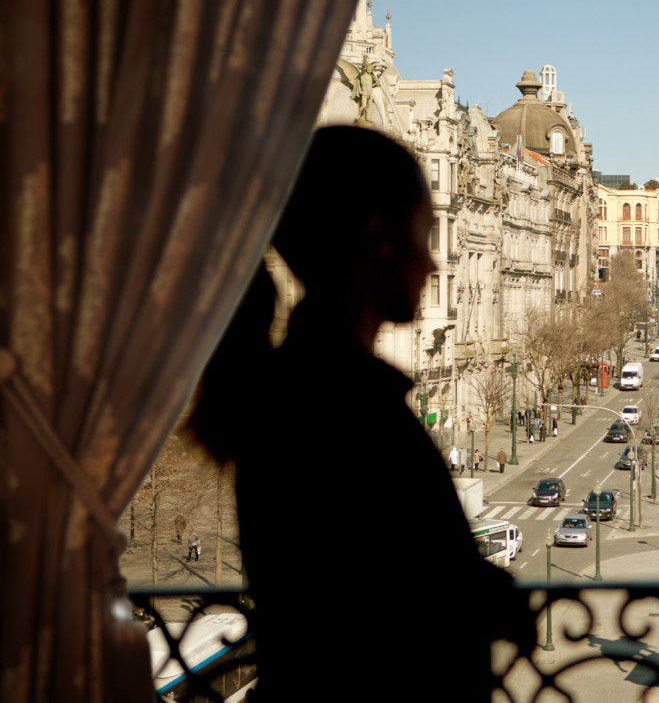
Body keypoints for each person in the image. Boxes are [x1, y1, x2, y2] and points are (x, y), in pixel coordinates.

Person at [189, 126, 525, 696]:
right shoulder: (343, 411)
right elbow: (401, 593)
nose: (434, 264)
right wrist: (488, 596)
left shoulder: (304, 390)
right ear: (378, 236)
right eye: (423, 233)